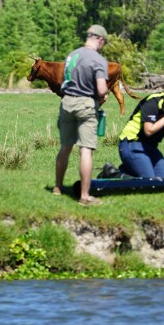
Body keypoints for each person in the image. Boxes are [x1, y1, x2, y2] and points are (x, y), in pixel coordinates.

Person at [54, 24, 110, 206]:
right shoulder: (98, 59)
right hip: (85, 104)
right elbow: (101, 89)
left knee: (65, 146)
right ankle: (84, 196)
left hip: (67, 102)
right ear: (100, 40)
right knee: (86, 149)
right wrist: (104, 94)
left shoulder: (72, 55)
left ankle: (58, 187)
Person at [117, 78, 164, 178]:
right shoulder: (154, 102)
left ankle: (130, 167)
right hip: (132, 143)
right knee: (150, 180)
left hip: (151, 147)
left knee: (163, 179)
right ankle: (116, 173)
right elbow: (148, 130)